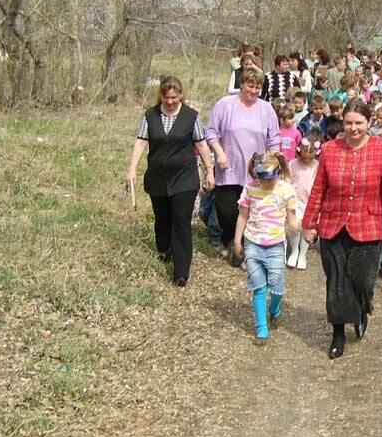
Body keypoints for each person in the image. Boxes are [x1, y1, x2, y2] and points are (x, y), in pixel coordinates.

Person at [302, 98, 382, 359]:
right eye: (348, 123)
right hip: (333, 225)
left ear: (369, 123)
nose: (353, 128)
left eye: (359, 123)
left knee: (362, 280)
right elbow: (318, 190)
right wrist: (309, 224)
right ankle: (338, 333)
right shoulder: (330, 149)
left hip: (368, 225)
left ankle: (362, 306)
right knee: (336, 281)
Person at [126, 76, 215, 286]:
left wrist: (209, 171)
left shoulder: (191, 117)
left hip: (184, 177)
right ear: (161, 96)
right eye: (166, 98)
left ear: (181, 95)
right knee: (163, 218)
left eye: (174, 97)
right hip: (158, 176)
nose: (170, 101)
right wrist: (132, 170)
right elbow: (141, 143)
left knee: (181, 220)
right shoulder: (150, 116)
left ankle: (181, 271)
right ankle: (164, 251)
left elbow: (201, 145)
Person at [205, 67, 281, 262]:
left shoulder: (266, 109)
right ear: (241, 84)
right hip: (228, 168)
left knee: (251, 212)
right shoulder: (225, 105)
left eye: (258, 87)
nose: (254, 90)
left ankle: (246, 249)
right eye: (250, 85)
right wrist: (219, 153)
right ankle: (228, 239)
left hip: (256, 172)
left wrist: (273, 160)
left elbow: (273, 140)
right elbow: (211, 132)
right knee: (227, 212)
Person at [234, 152, 299, 342]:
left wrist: (304, 229)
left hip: (276, 245)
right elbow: (243, 215)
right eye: (262, 179)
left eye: (271, 179)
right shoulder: (250, 189)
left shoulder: (286, 190)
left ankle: (275, 308)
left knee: (277, 287)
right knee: (258, 287)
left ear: (279, 172)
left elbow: (292, 218)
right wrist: (237, 240)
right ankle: (262, 328)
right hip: (253, 243)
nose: (267, 183)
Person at [287, 132, 321, 269]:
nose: (307, 161)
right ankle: (294, 251)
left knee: (307, 227)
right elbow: (288, 180)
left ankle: (302, 255)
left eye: (310, 158)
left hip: (309, 201)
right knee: (294, 227)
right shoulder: (293, 164)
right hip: (295, 199)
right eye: (304, 158)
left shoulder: (317, 165)